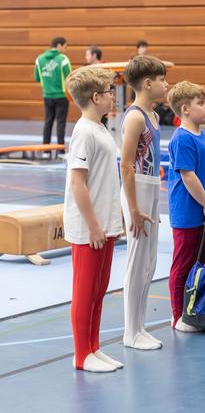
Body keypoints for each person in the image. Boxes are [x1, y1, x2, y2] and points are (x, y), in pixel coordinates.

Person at [63, 66, 123, 372]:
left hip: (105, 222)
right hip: (90, 226)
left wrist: (114, 218)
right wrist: (94, 226)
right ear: (96, 97)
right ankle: (81, 354)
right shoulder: (84, 132)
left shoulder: (100, 128)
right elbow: (78, 183)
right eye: (110, 92)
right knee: (85, 291)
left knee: (99, 289)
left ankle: (93, 347)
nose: (114, 97)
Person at [166, 81, 205, 332]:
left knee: (202, 265)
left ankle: (198, 310)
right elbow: (188, 176)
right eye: (201, 103)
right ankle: (178, 315)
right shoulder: (182, 138)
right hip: (189, 213)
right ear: (185, 109)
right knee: (184, 265)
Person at [120, 56, 167, 350]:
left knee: (149, 263)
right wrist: (134, 209)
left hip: (151, 190)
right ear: (148, 83)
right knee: (136, 263)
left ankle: (140, 327)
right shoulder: (135, 116)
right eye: (162, 79)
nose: (165, 84)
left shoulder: (154, 116)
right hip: (136, 190)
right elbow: (125, 165)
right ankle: (129, 331)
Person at [35, 36, 72, 153]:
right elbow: (69, 78)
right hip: (61, 96)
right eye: (65, 47)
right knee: (61, 123)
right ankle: (61, 151)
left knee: (48, 121)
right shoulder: (63, 59)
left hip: (47, 95)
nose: (65, 50)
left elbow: (37, 78)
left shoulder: (39, 59)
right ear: (59, 45)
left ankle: (46, 151)